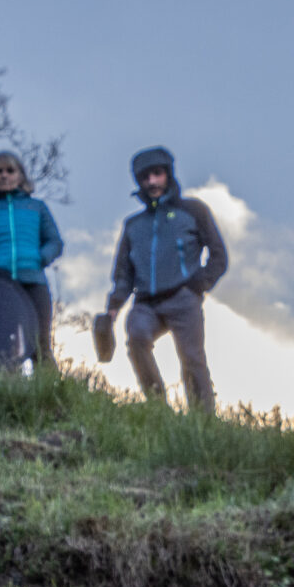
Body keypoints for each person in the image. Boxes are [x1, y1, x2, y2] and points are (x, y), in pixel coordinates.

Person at [101, 146, 227, 411]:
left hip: (183, 298)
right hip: (146, 301)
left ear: (168, 175)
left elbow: (218, 255)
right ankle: (159, 409)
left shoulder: (193, 211)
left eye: (157, 174)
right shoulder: (133, 225)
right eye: (145, 178)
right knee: (136, 338)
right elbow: (123, 274)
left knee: (192, 358)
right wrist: (113, 309)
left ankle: (203, 422)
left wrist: (199, 285)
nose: (152, 182)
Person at [0, 151, 64, 372]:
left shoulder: (36, 207)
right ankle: (3, 395)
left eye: (10, 170)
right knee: (0, 346)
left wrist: (39, 258)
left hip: (33, 282)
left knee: (40, 345)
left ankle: (52, 397)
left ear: (20, 176)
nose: (4, 176)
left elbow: (54, 242)